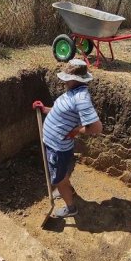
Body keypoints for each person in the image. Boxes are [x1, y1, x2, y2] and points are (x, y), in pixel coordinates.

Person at [32, 59, 103, 218]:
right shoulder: (73, 91)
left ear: (75, 79)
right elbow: (61, 111)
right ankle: (67, 188)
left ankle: (71, 208)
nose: (64, 81)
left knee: (59, 179)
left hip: (58, 148)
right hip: (54, 144)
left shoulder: (81, 99)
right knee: (62, 175)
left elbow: (97, 128)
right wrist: (45, 109)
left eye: (66, 78)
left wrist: (76, 130)